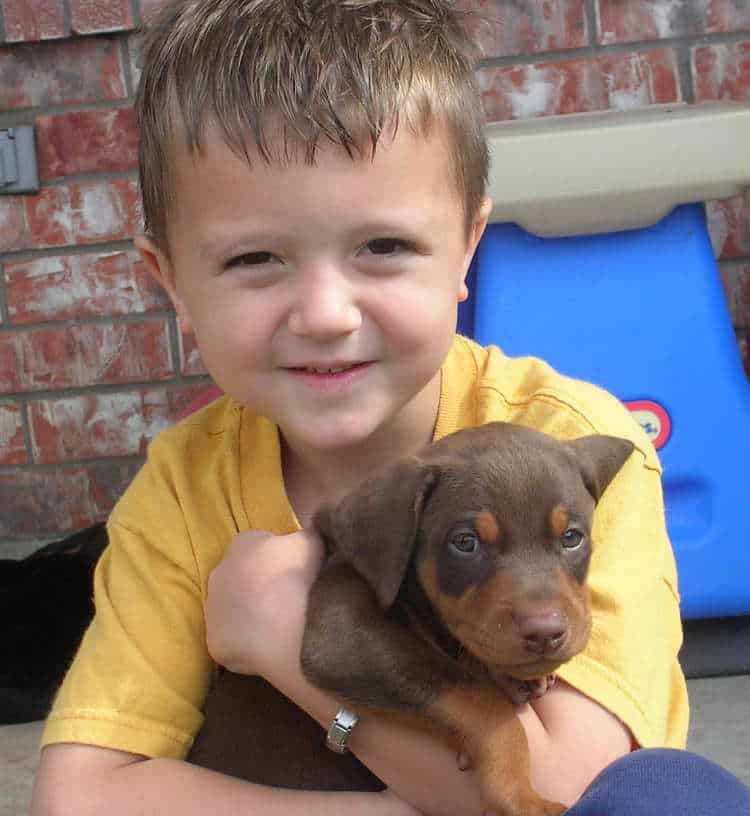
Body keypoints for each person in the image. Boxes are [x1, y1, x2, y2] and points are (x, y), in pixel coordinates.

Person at [30, 1, 750, 814]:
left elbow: (570, 795)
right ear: (172, 287)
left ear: (465, 251)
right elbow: (79, 799)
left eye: (384, 247)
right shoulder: (183, 494)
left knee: (674, 796)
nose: (327, 313)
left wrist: (279, 640)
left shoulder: (567, 445)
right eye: (254, 257)